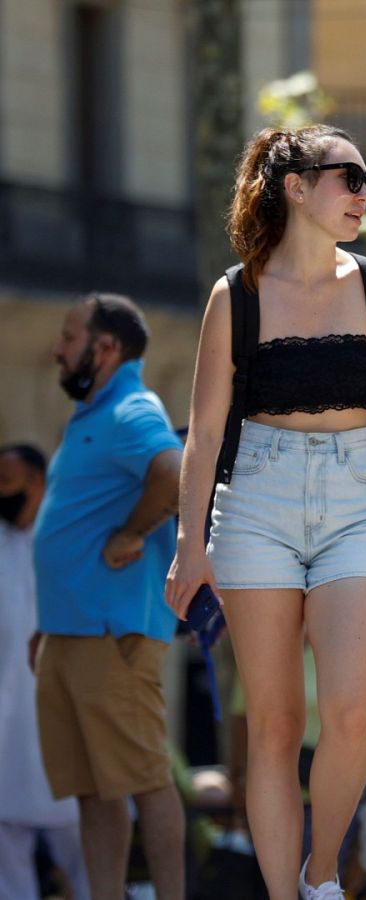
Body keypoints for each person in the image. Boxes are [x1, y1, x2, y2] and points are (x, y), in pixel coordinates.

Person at [165, 124, 366, 900]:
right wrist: (191, 545)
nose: (365, 194)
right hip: (256, 497)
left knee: (353, 715)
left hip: (358, 497)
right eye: (349, 178)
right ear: (294, 186)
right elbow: (207, 433)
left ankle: (322, 877)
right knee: (277, 727)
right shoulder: (239, 292)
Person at [32, 293, 187, 900]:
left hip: (111, 633)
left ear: (105, 348)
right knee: (95, 790)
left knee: (147, 780)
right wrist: (45, 626)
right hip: (70, 633)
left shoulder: (131, 407)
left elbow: (174, 472)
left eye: (69, 338)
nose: (57, 349)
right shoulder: (94, 413)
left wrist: (132, 534)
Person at [0, 444, 90, 900]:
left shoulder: (65, 540)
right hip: (4, 725)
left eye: (7, 480)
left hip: (59, 716)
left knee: (81, 839)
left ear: (37, 482)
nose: (1, 491)